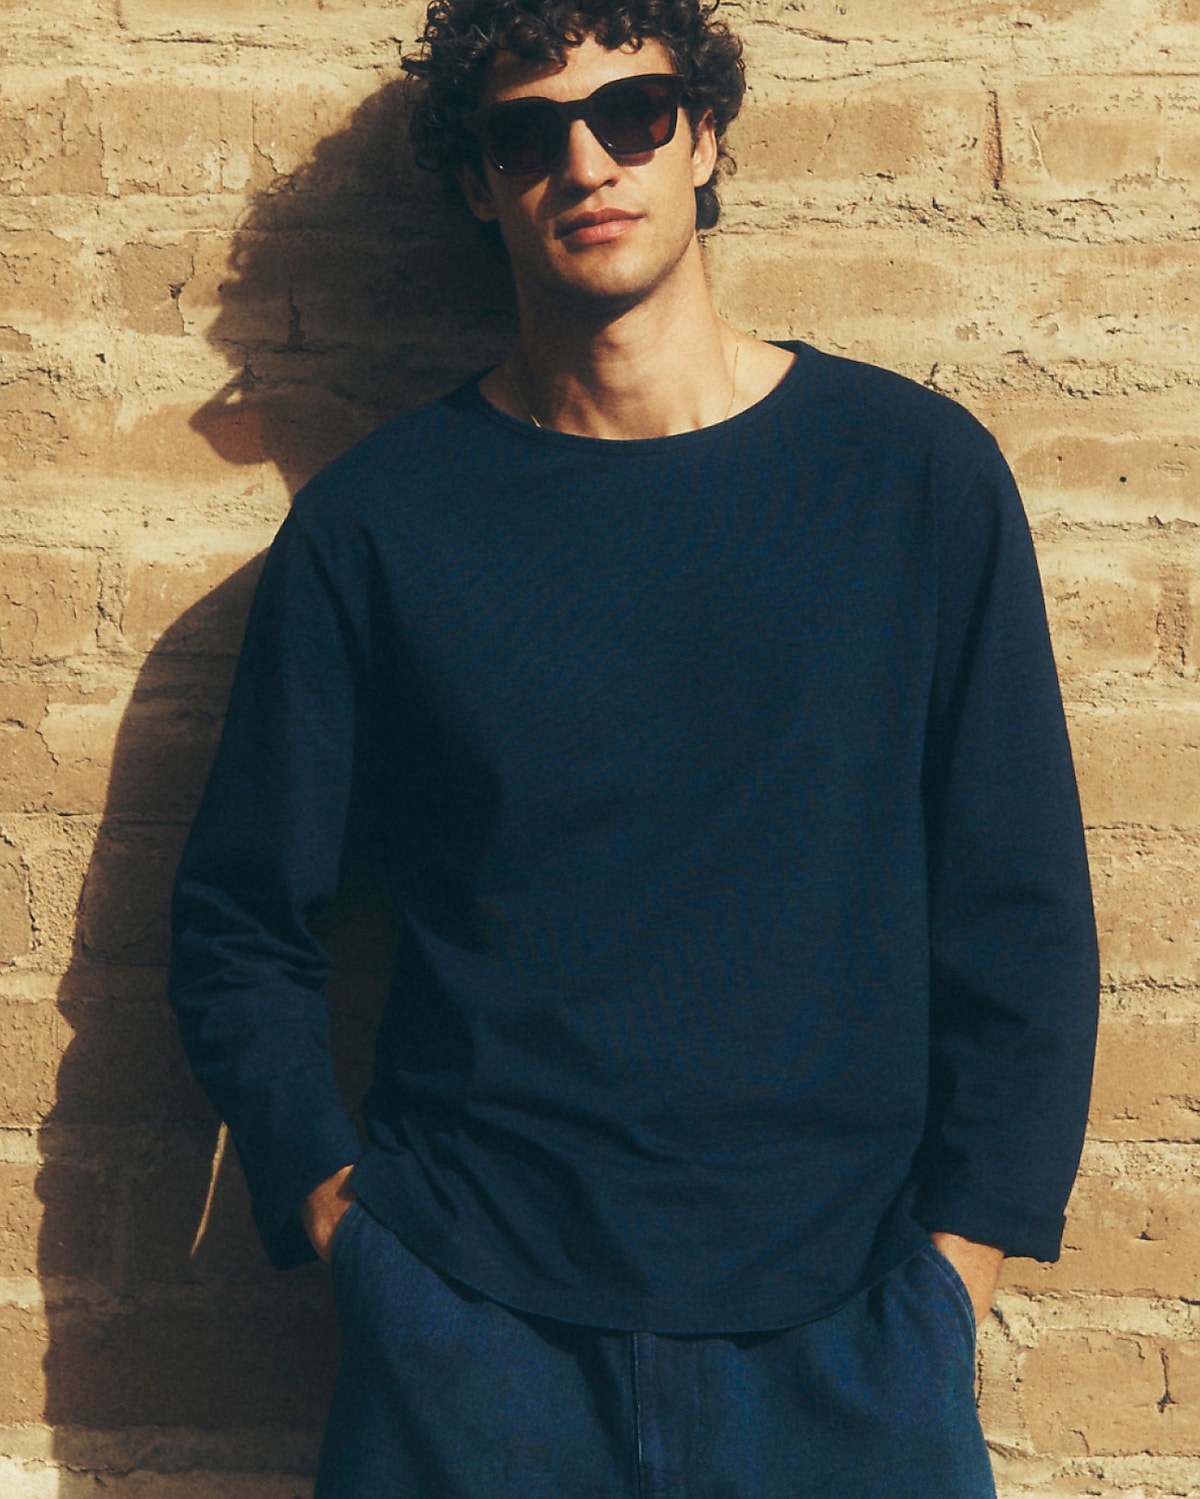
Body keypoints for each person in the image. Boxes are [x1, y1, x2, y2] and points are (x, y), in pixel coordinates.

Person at [168, 0, 1100, 1493]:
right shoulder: (381, 526)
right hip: (476, 1343)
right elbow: (237, 923)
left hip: (847, 1341)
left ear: (707, 133)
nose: (583, 162)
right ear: (479, 183)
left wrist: (952, 1279)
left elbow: (1021, 914)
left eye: (634, 113)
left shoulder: (912, 480)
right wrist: (355, 1234)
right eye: (525, 134)